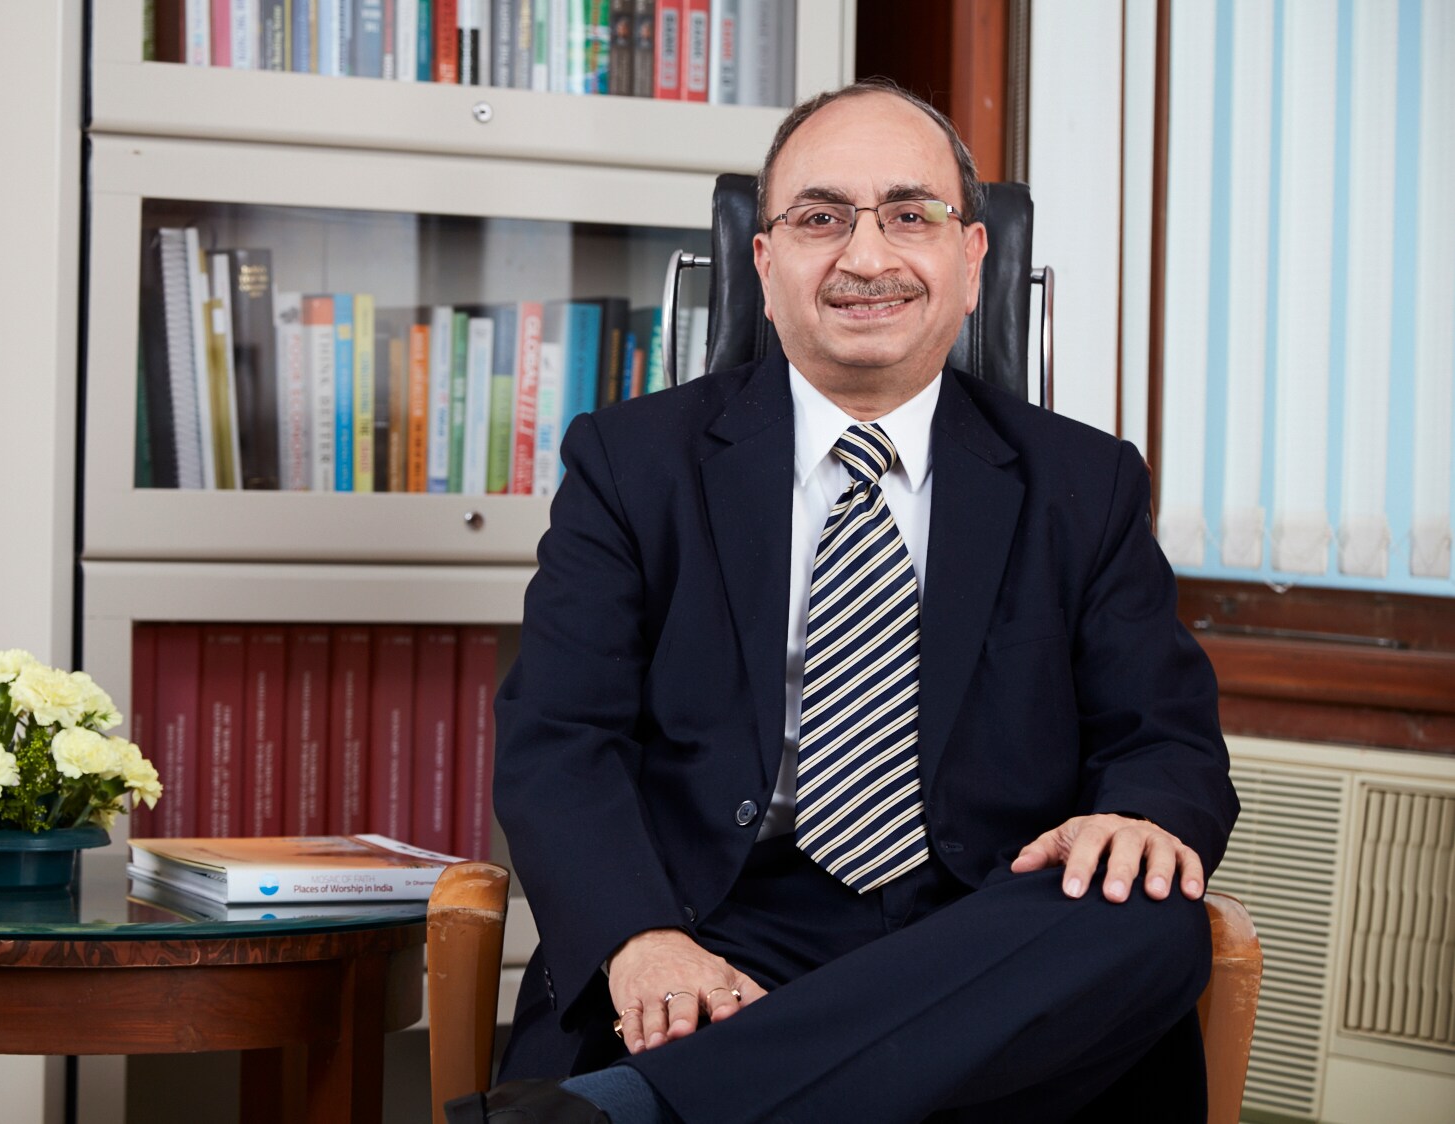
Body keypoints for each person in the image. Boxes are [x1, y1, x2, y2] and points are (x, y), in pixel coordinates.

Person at [450, 78, 1238, 1124]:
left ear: (972, 259)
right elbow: (557, 739)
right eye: (820, 219)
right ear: (764, 263)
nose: (866, 257)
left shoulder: (1083, 483)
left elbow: (1166, 735)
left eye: (909, 214)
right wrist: (642, 938)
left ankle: (632, 1110)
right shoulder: (631, 462)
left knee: (1148, 915)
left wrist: (1137, 816)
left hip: (983, 937)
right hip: (714, 923)